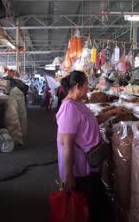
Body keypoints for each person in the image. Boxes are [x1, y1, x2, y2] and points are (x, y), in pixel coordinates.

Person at [56, 71, 114, 221]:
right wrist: (69, 176)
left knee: (94, 206)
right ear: (77, 86)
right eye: (86, 85)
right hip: (80, 172)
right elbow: (66, 145)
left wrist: (112, 112)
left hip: (90, 167)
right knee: (87, 209)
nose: (88, 88)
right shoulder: (69, 108)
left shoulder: (78, 104)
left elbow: (91, 121)